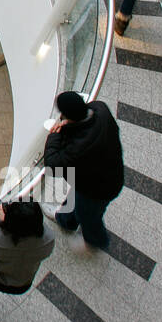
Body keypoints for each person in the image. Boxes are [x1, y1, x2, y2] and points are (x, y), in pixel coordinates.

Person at [44, 91, 123, 251]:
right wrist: (68, 126)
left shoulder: (80, 146)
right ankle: (66, 221)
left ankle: (95, 241)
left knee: (88, 215)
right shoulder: (101, 109)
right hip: (103, 174)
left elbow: (53, 163)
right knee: (76, 199)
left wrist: (54, 134)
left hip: (99, 189)